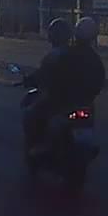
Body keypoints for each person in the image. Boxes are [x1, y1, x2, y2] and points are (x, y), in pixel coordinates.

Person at [23, 18, 74, 153]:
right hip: (76, 98)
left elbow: (41, 74)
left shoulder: (53, 56)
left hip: (56, 98)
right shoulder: (75, 53)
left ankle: (37, 144)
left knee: (31, 112)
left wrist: (30, 80)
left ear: (53, 36)